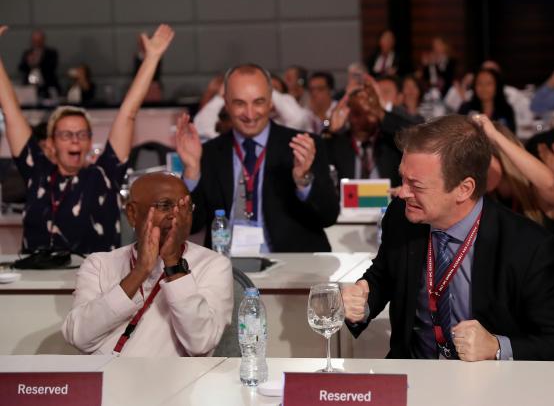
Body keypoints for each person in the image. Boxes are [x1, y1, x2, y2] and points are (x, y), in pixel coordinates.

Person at [342, 115, 554, 361]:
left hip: (491, 388)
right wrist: (363, 300)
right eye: (402, 178)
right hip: (414, 379)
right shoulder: (401, 217)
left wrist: (497, 347)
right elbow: (383, 275)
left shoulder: (526, 246)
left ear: (464, 189)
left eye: (416, 185)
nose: (403, 192)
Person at [0, 24, 174, 254]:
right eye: (66, 135)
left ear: (90, 143)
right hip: (37, 281)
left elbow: (128, 113)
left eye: (82, 134)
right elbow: (11, 112)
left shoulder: (103, 175)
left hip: (93, 283)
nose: (75, 140)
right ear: (51, 144)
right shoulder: (37, 172)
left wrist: (151, 59)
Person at [62, 172, 233, 356]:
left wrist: (173, 263)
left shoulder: (214, 265)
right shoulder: (99, 264)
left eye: (185, 206)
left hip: (174, 381)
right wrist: (140, 271)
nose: (176, 215)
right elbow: (79, 337)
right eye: (165, 205)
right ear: (132, 214)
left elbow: (201, 344)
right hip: (106, 379)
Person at [176, 63, 339, 252]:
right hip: (228, 269)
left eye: (258, 102)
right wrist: (191, 171)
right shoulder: (209, 153)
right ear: (226, 104)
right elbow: (191, 225)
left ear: (270, 102)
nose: (250, 114)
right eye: (240, 103)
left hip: (293, 270)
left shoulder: (304, 146)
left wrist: (303, 180)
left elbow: (328, 216)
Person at [475, 115, 554, 237]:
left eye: (481, 162)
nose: (474, 171)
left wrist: (495, 136)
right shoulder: (481, 199)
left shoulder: (534, 193)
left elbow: (551, 184)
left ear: (503, 158)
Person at [323, 85, 417, 187]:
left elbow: (417, 138)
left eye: (368, 111)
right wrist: (331, 131)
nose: (364, 117)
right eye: (357, 112)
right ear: (348, 114)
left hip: (389, 200)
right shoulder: (338, 144)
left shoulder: (391, 142)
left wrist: (381, 114)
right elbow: (320, 167)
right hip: (347, 201)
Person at [458, 68, 516, 134]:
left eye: (488, 83)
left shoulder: (506, 110)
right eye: (479, 83)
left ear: (497, 86)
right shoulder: (466, 109)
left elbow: (511, 136)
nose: (484, 87)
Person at [18, 29, 60, 97]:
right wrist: (29, 63)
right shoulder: (27, 53)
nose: (36, 42)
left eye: (39, 40)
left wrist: (38, 62)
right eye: (34, 40)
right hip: (30, 86)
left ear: (43, 40)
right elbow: (21, 68)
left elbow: (52, 67)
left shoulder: (51, 53)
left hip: (47, 86)